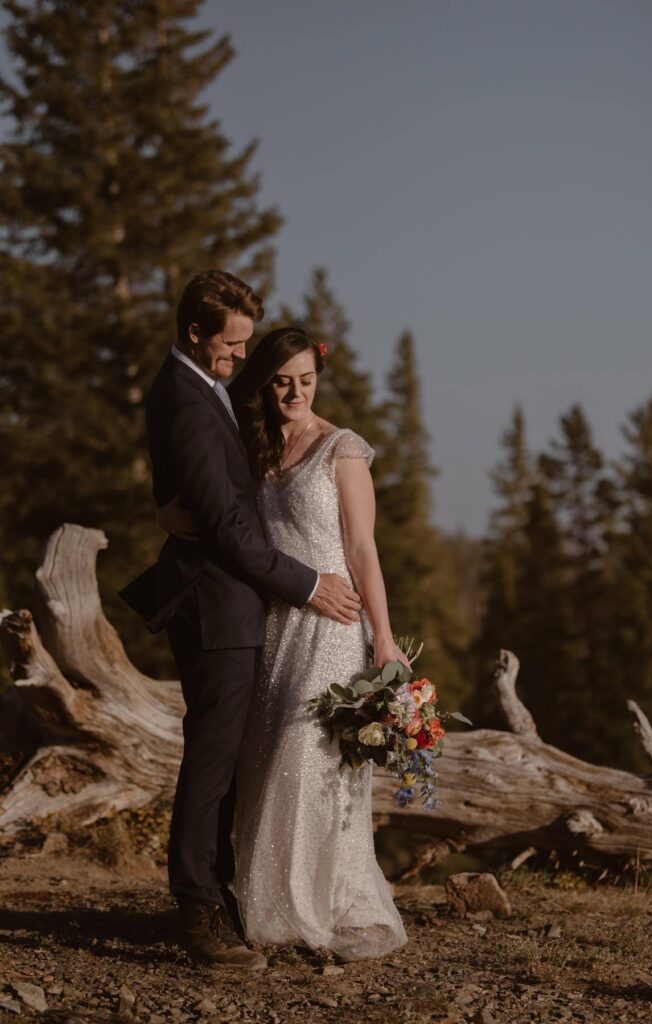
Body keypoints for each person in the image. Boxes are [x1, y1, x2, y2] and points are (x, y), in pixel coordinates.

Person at [119, 271, 362, 969]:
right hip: (215, 603)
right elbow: (225, 526)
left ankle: (220, 896)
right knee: (213, 759)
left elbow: (208, 495)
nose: (238, 356)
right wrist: (309, 582)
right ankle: (197, 910)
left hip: (232, 601)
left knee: (226, 756)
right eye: (231, 344)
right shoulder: (190, 402)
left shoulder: (202, 389)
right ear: (194, 332)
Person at [160, 326, 408, 961]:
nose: (295, 392)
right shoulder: (257, 448)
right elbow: (220, 510)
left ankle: (321, 904)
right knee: (265, 760)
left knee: (311, 752)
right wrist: (167, 509)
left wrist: (384, 639)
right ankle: (265, 903)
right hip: (274, 623)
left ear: (319, 378)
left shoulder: (341, 449)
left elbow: (362, 550)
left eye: (307, 379)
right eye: (281, 380)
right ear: (265, 384)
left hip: (332, 624)